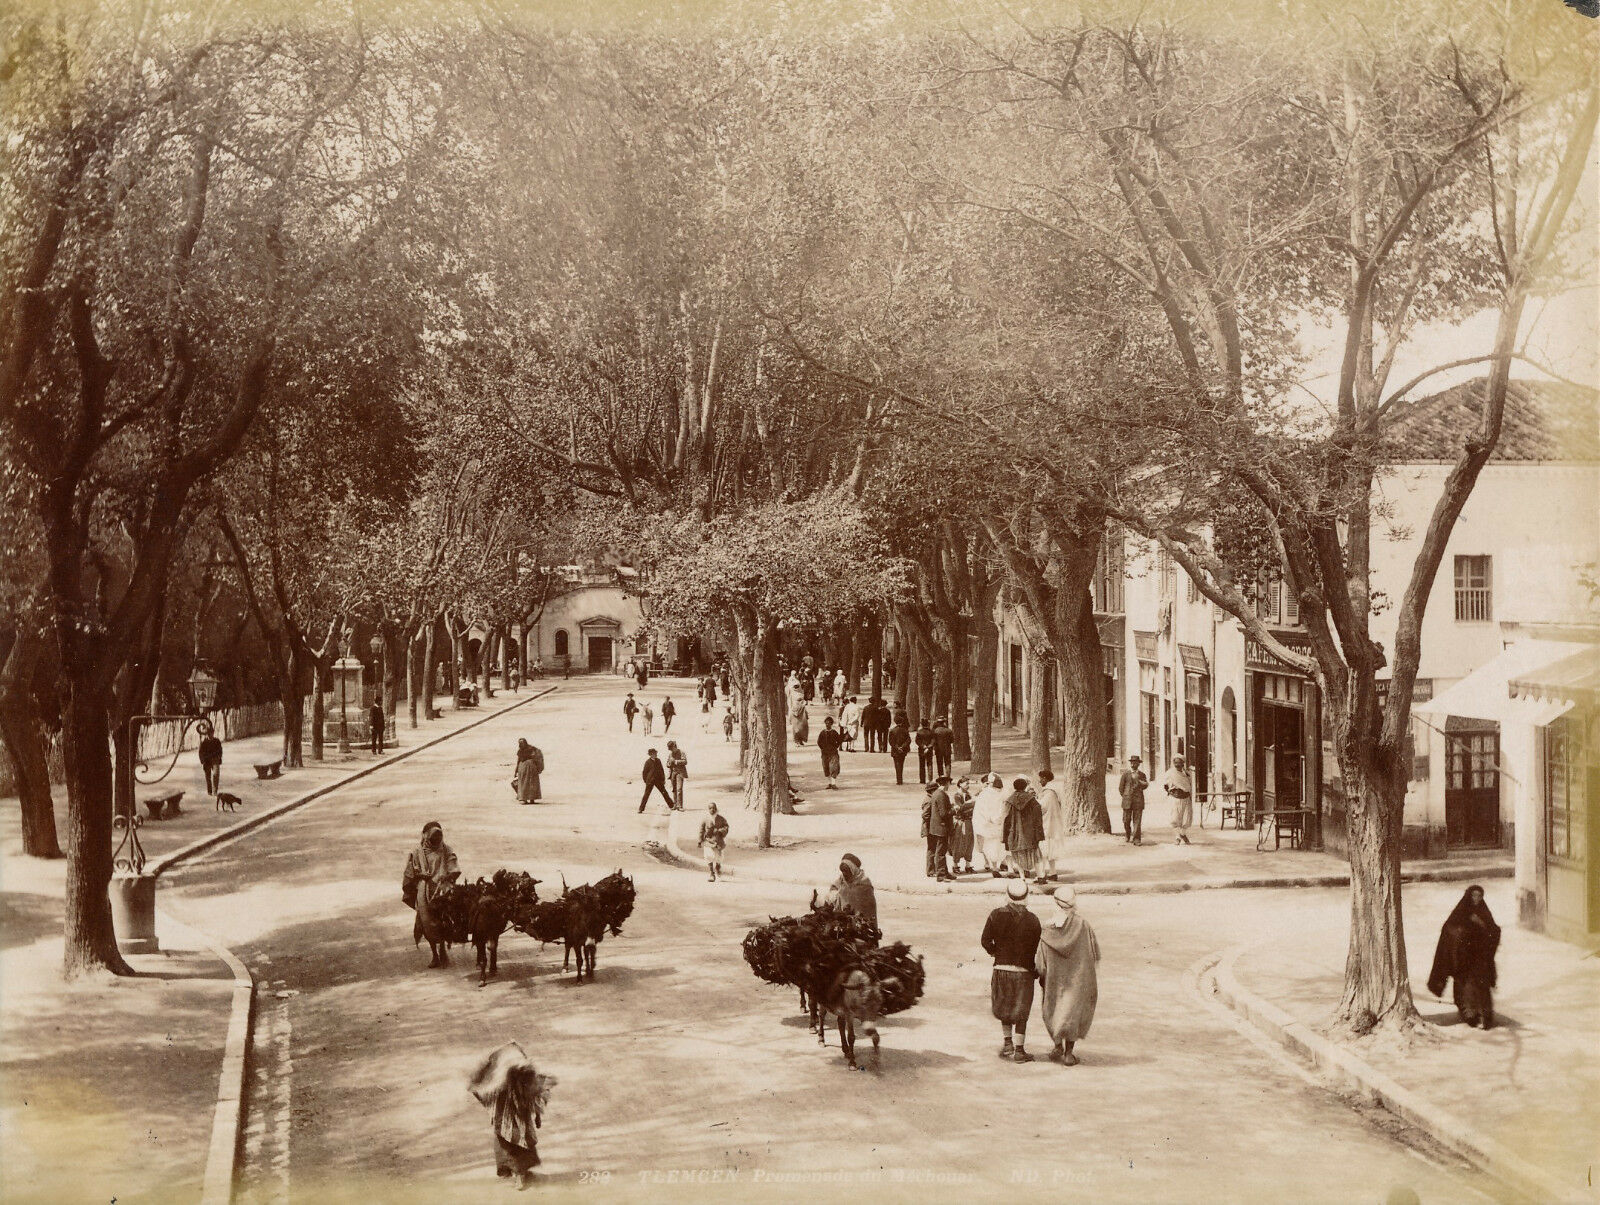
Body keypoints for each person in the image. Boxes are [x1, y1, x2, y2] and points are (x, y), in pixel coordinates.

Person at [467, 1041, 549, 1189]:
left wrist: (537, 1115)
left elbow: (538, 1094)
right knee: (511, 1143)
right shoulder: (502, 1079)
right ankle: (517, 1173)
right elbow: (482, 1090)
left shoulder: (522, 1076)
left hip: (515, 1117)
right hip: (506, 1117)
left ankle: (518, 1173)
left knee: (516, 1142)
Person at [1034, 885, 1100, 1066]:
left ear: (1056, 904)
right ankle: (1069, 1053)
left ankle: (1057, 1047)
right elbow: (1095, 953)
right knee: (1073, 1012)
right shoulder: (1084, 925)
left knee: (1053, 1009)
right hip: (1078, 980)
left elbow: (1041, 960)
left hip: (1054, 980)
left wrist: (1042, 973)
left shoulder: (1047, 930)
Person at [982, 879, 1043, 1062]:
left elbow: (985, 940)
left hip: (1001, 969)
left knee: (1005, 1007)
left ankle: (1007, 1043)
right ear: (1026, 897)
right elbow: (1036, 947)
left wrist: (996, 953)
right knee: (1021, 1011)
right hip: (1023, 971)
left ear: (1008, 895)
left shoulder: (995, 914)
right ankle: (1019, 1050)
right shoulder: (1033, 919)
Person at [1427, 885, 1501, 1029]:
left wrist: (1482, 924)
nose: (1477, 899)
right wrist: (1463, 933)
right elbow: (1449, 929)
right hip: (1463, 959)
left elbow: (1494, 929)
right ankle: (1469, 1014)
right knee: (1465, 986)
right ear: (1468, 896)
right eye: (1474, 895)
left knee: (1482, 985)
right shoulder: (1460, 911)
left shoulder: (1484, 911)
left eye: (1480, 896)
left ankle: (1485, 1015)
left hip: (1480, 957)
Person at [402, 821, 461, 964]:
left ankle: (442, 949)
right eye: (433, 836)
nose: (437, 839)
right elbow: (410, 873)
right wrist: (421, 876)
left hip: (443, 890)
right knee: (426, 922)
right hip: (424, 891)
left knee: (444, 920)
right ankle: (434, 954)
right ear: (426, 837)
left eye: (439, 836)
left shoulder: (446, 850)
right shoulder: (417, 853)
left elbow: (454, 868)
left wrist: (446, 877)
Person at [1003, 777, 1045, 882]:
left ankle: (1022, 877)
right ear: (1025, 786)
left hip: (1015, 832)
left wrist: (1005, 834)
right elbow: (1038, 813)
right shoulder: (1031, 799)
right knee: (1035, 854)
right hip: (1029, 832)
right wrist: (1038, 830)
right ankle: (1040, 877)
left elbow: (1005, 817)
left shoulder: (1009, 800)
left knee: (1017, 855)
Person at [825, 853, 878, 930]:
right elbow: (833, 888)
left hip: (861, 924)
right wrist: (833, 894)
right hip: (843, 921)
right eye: (842, 871)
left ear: (853, 869)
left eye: (846, 871)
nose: (844, 873)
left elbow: (867, 910)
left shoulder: (864, 884)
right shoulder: (841, 880)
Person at [972, 772, 1008, 876]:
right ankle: (995, 867)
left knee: (997, 846)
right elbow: (983, 810)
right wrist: (993, 818)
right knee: (994, 846)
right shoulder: (986, 794)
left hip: (996, 824)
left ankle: (998, 866)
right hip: (991, 825)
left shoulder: (999, 793)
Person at [1037, 769, 1068, 882]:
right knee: (1050, 849)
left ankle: (1041, 874)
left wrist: (1034, 800)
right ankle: (1053, 872)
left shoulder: (1049, 793)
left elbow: (1042, 807)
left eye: (1040, 779)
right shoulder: (1053, 791)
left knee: (1043, 849)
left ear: (1045, 779)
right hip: (1053, 823)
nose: (1039, 781)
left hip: (1047, 824)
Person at [922, 779, 954, 881]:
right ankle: (941, 875)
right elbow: (943, 814)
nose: (949, 785)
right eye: (949, 783)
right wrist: (954, 810)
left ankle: (945, 872)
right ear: (946, 784)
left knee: (941, 851)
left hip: (937, 827)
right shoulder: (941, 795)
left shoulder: (936, 794)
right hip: (941, 828)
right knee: (941, 852)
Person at [949, 776, 976, 875]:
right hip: (960, 822)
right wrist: (970, 804)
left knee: (969, 842)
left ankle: (968, 865)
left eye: (968, 784)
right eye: (966, 783)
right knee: (958, 842)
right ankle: (955, 865)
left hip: (968, 821)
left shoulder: (968, 795)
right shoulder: (957, 795)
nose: (968, 786)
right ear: (960, 784)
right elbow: (959, 808)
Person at [1164, 755, 1193, 845]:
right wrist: (1173, 791)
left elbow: (1189, 785)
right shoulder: (1170, 773)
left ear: (1183, 763)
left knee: (1187, 818)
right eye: (1175, 763)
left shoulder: (1187, 773)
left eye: (1179, 763)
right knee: (1175, 818)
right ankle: (1177, 837)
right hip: (1175, 798)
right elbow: (1165, 785)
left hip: (1186, 798)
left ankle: (1182, 833)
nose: (1177, 765)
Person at [1119, 755, 1148, 845]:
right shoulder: (1125, 774)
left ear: (1138, 764)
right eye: (1131, 762)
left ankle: (1136, 839)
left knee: (1137, 820)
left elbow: (1145, 785)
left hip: (1138, 800)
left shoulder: (1142, 775)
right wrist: (1125, 796)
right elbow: (1121, 788)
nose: (1133, 764)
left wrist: (1139, 782)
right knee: (1126, 820)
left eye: (1135, 762)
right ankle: (1127, 834)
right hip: (1127, 800)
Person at [698, 802, 729, 881]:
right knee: (709, 856)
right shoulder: (705, 819)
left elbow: (726, 826)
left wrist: (720, 831)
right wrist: (700, 841)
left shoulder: (721, 818)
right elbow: (701, 830)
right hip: (708, 841)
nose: (712, 810)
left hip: (718, 841)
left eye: (714, 808)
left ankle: (718, 867)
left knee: (719, 857)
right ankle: (711, 873)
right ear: (708, 809)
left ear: (716, 808)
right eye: (710, 808)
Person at [513, 738, 544, 804]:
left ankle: (532, 799)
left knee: (532, 783)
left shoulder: (532, 749)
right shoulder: (520, 751)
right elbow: (518, 761)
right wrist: (516, 771)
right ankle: (525, 799)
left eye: (522, 742)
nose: (521, 744)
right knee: (524, 783)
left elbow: (537, 757)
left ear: (525, 742)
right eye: (520, 743)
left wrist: (538, 766)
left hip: (531, 768)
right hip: (522, 768)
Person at [816, 716, 844, 789]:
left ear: (831, 724)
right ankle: (830, 783)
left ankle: (833, 783)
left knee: (834, 767)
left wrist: (835, 747)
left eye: (829, 723)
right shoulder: (822, 733)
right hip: (825, 753)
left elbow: (839, 740)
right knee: (826, 768)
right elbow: (819, 742)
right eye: (826, 723)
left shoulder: (834, 732)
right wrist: (823, 748)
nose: (827, 724)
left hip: (833, 753)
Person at [197, 722, 223, 795]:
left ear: (213, 733)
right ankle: (209, 791)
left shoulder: (217, 741)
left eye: (211, 733)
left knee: (216, 774)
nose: (210, 735)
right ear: (207, 734)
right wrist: (202, 760)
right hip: (207, 761)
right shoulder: (204, 742)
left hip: (215, 760)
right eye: (208, 733)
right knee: (208, 777)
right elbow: (200, 752)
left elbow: (220, 750)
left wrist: (218, 757)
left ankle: (215, 791)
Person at [887, 715, 911, 784]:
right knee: (901, 763)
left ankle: (899, 779)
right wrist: (903, 747)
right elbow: (908, 740)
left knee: (897, 764)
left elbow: (891, 741)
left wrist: (897, 747)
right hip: (903, 750)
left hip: (895, 750)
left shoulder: (892, 731)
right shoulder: (905, 730)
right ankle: (900, 778)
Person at [665, 740, 688, 810]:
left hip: (680, 773)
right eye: (670, 749)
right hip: (673, 773)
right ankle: (675, 804)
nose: (671, 750)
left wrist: (675, 761)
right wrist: (669, 764)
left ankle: (680, 805)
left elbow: (685, 761)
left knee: (679, 789)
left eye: (672, 748)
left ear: (675, 746)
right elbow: (667, 763)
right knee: (674, 789)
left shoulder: (681, 752)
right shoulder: (670, 754)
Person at [915, 718, 936, 784]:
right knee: (929, 764)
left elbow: (917, 741)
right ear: (927, 724)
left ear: (921, 724)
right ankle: (930, 779)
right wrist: (929, 746)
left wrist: (923, 746)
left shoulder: (919, 732)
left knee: (922, 765)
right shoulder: (931, 731)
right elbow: (933, 740)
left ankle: (922, 780)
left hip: (921, 750)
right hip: (929, 750)